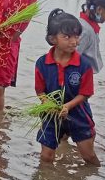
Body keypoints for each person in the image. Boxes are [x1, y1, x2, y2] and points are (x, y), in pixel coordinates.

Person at [34, 9, 99, 165]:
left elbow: (85, 93)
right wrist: (46, 103)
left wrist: (67, 106)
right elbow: (40, 91)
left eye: (76, 36)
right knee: (46, 157)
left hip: (78, 114)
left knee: (89, 157)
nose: (74, 42)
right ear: (53, 39)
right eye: (67, 37)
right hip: (52, 115)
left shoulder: (83, 65)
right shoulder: (42, 63)